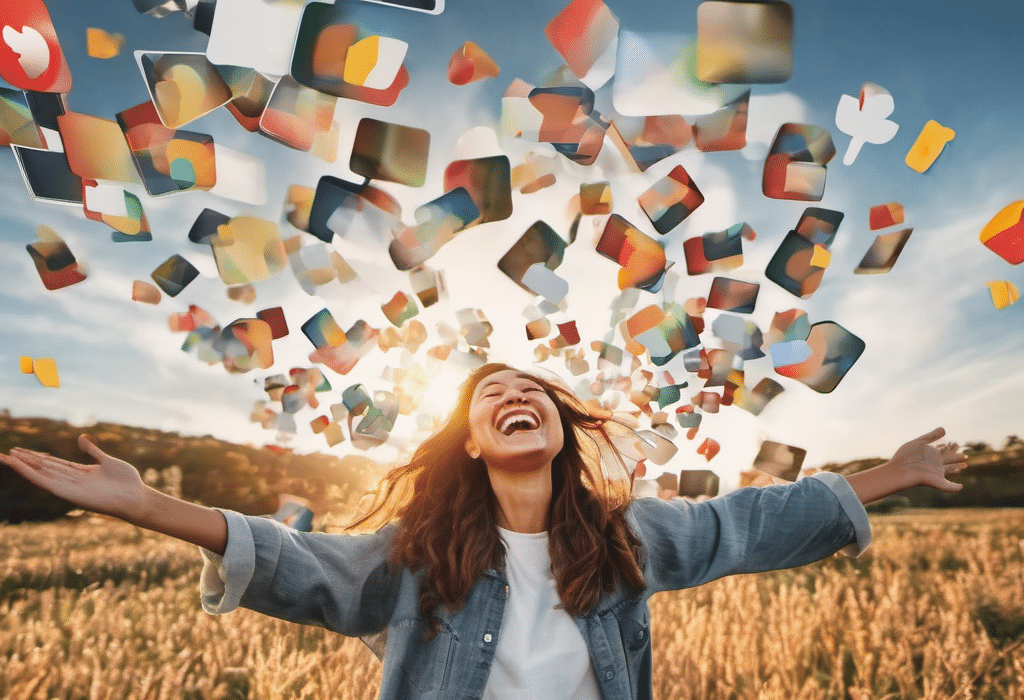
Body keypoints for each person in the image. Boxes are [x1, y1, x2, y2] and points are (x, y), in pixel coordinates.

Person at [0, 363, 969, 700]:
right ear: (468, 441)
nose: (514, 397)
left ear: (555, 425)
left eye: (530, 391)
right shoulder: (414, 559)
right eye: (491, 395)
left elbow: (744, 523)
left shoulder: (627, 538)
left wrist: (893, 472)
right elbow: (296, 564)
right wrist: (148, 506)